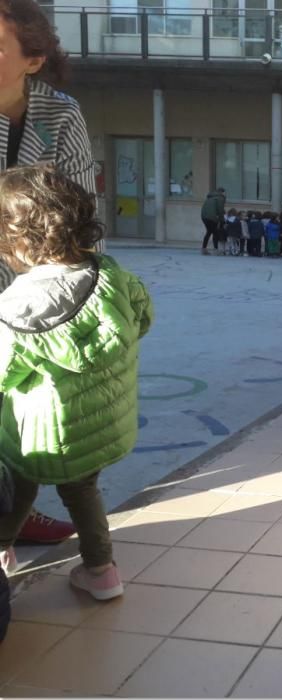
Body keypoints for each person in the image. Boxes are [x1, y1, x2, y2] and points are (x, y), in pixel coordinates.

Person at [0, 166, 152, 596]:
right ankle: (103, 572)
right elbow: (143, 318)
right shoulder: (113, 276)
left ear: (18, 242)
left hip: (38, 434)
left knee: (17, 483)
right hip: (98, 427)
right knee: (82, 490)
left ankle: (2, 550)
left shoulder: (15, 305)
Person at [0, 0, 102, 548]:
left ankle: (20, 508)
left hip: (42, 286)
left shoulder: (60, 113)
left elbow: (85, 209)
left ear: (32, 59)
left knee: (34, 412)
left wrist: (84, 291)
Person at [200, 187, 225, 255]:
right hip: (212, 217)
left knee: (209, 232)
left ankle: (204, 249)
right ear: (222, 192)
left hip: (204, 216)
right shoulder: (220, 198)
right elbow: (220, 210)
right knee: (215, 233)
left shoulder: (210, 197)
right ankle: (216, 250)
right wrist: (222, 221)